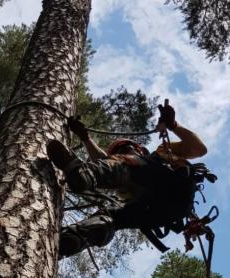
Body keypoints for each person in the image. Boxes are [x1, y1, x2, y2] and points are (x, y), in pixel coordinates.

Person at [47, 101, 214, 257]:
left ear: (140, 149)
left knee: (128, 166)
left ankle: (84, 174)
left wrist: (173, 126)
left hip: (174, 185)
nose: (123, 153)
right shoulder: (126, 172)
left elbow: (199, 149)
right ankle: (75, 238)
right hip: (162, 211)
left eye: (126, 149)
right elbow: (108, 163)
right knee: (113, 216)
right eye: (119, 152)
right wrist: (85, 138)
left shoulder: (162, 153)